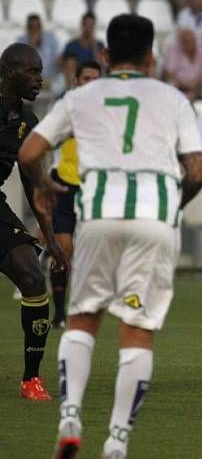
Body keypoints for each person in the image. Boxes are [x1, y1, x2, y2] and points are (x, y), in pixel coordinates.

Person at [18, 14, 202, 457]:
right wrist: (171, 207)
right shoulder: (172, 97)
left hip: (98, 215)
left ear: (104, 56)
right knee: (137, 330)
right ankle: (118, 440)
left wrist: (44, 186)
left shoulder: (81, 95)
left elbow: (29, 153)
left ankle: (69, 418)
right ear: (151, 58)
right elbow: (197, 170)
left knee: (82, 321)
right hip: (154, 221)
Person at [0, 43, 68, 401]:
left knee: (31, 274)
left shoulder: (28, 122)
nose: (40, 79)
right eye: (33, 71)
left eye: (41, 72)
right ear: (11, 72)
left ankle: (31, 380)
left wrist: (52, 240)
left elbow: (31, 184)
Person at [49, 60, 102, 330]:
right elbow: (48, 138)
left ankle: (84, 309)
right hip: (65, 186)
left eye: (96, 79)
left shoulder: (108, 111)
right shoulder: (66, 108)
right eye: (86, 78)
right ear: (77, 81)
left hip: (93, 187)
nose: (90, 83)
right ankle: (59, 312)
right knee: (63, 250)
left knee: (92, 252)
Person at [163, 29, 202, 115]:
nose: (189, 44)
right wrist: (184, 84)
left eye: (191, 41)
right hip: (179, 86)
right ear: (181, 42)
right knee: (171, 85)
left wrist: (194, 86)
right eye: (186, 41)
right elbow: (169, 73)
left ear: (195, 40)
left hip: (198, 86)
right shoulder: (173, 50)